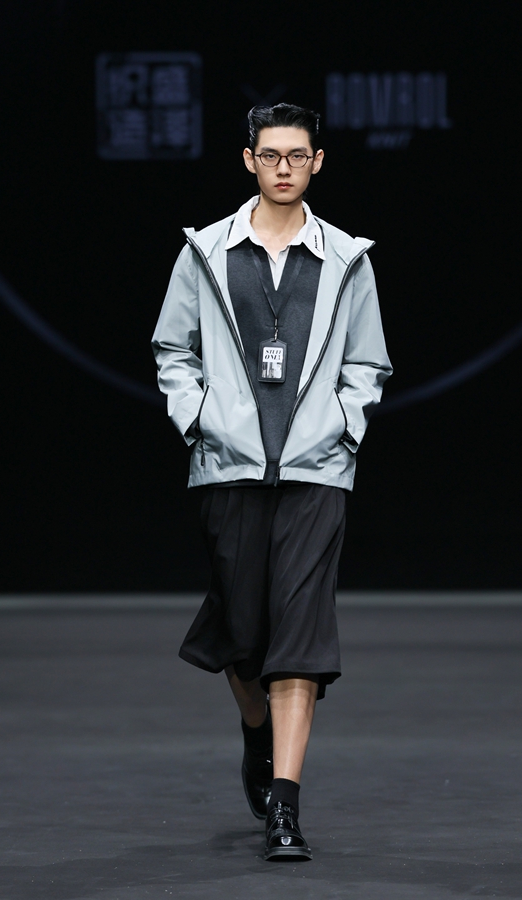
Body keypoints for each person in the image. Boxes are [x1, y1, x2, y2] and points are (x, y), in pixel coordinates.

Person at [152, 103, 392, 861]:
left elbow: (367, 361)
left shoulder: (348, 259)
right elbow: (173, 350)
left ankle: (285, 807)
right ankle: (255, 731)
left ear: (317, 162)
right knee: (244, 637)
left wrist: (344, 428)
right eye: (270, 154)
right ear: (249, 160)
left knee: (299, 634)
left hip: (317, 471)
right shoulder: (204, 252)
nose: (283, 167)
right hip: (229, 466)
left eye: (296, 155)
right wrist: (199, 422)